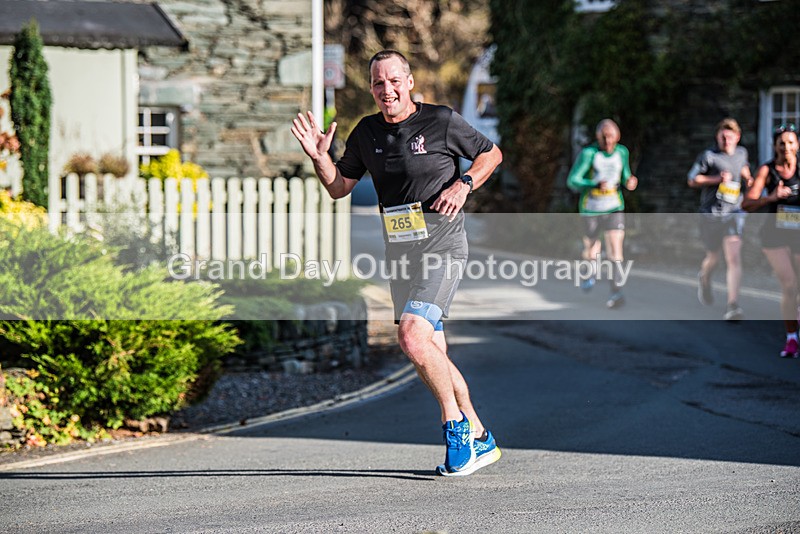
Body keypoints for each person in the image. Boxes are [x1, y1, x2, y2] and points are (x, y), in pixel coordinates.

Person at [290, 50, 504, 476]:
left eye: (393, 81)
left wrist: (463, 185)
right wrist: (319, 158)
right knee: (430, 351)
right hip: (402, 255)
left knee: (411, 337)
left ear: (408, 82)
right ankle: (482, 435)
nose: (386, 90)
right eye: (377, 83)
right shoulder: (366, 132)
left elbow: (491, 154)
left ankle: (455, 425)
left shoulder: (440, 121)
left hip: (443, 248)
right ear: (371, 88)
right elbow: (339, 188)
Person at [567, 119, 638, 309]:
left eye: (611, 137)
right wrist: (594, 184)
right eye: (604, 137)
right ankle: (590, 271)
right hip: (591, 208)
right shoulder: (589, 154)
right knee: (592, 251)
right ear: (598, 137)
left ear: (617, 136)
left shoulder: (622, 152)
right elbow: (572, 180)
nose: (607, 141)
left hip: (614, 206)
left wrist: (630, 181)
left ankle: (616, 292)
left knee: (616, 250)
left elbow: (625, 176)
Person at [742, 123, 800, 357]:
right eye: (781, 143)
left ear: (797, 145)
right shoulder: (767, 171)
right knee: (789, 285)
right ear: (775, 146)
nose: (786, 147)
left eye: (790, 142)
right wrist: (772, 197)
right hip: (775, 235)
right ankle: (791, 338)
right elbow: (747, 204)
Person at [687, 118, 753, 321]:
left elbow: (743, 168)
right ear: (717, 137)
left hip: (734, 212)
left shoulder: (742, 153)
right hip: (711, 214)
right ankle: (704, 277)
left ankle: (733, 305)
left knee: (733, 258)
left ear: (737, 137)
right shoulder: (709, 156)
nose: (725, 140)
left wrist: (749, 179)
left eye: (729, 137)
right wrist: (716, 179)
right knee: (713, 258)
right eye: (722, 137)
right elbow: (692, 179)